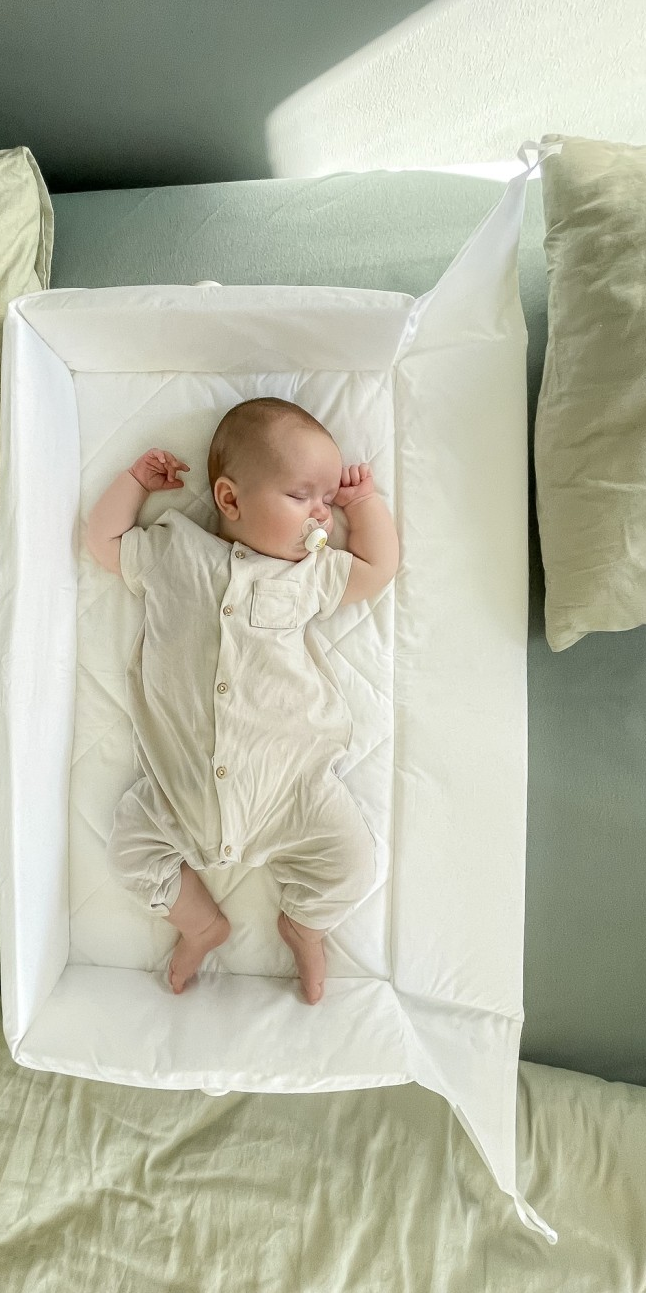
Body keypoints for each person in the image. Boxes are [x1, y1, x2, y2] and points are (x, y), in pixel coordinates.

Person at [84, 396, 400, 1004]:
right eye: (302, 496)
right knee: (129, 852)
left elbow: (377, 568)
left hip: (291, 789)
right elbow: (104, 540)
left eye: (327, 499)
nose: (322, 514)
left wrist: (364, 504)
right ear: (230, 500)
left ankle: (305, 925)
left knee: (353, 863)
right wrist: (134, 482)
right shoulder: (173, 550)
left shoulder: (309, 575)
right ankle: (201, 924)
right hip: (181, 792)